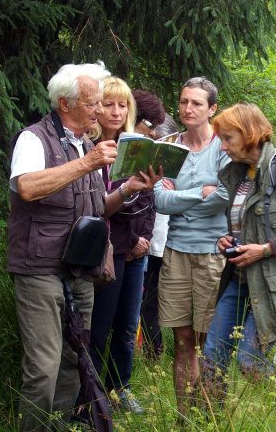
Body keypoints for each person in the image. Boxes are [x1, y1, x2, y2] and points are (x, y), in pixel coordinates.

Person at [7, 62, 158, 432]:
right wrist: (87, 163)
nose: (99, 110)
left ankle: (57, 427)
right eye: (92, 104)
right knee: (43, 365)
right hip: (39, 267)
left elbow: (98, 208)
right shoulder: (34, 139)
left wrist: (127, 191)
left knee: (75, 359)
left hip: (81, 267)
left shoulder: (86, 145)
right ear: (65, 104)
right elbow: (25, 187)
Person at [201, 102, 276, 405]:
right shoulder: (239, 174)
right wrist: (230, 239)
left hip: (274, 284)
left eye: (228, 138)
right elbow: (248, 225)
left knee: (250, 362)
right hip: (239, 280)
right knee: (211, 359)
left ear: (249, 134)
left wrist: (264, 250)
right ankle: (208, 421)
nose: (223, 146)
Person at [81, 81, 166, 416]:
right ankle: (91, 397)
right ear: (95, 108)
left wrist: (142, 241)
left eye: (122, 106)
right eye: (108, 105)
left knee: (128, 327)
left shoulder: (135, 147)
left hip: (136, 251)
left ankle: (121, 388)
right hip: (107, 250)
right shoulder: (89, 149)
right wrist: (130, 242)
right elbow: (95, 208)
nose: (116, 113)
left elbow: (148, 200)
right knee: (99, 327)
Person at [153, 77, 230, 417]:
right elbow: (159, 200)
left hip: (214, 254)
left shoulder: (224, 146)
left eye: (197, 103)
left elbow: (227, 198)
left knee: (209, 342)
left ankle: (209, 417)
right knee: (182, 341)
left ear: (213, 108)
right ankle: (187, 418)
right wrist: (200, 192)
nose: (187, 109)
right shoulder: (169, 145)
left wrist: (178, 196)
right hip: (176, 252)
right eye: (183, 101)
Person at [140, 114, 179, 360]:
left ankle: (161, 351)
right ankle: (153, 351)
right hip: (149, 243)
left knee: (163, 300)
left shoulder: (180, 165)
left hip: (167, 242)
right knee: (148, 301)